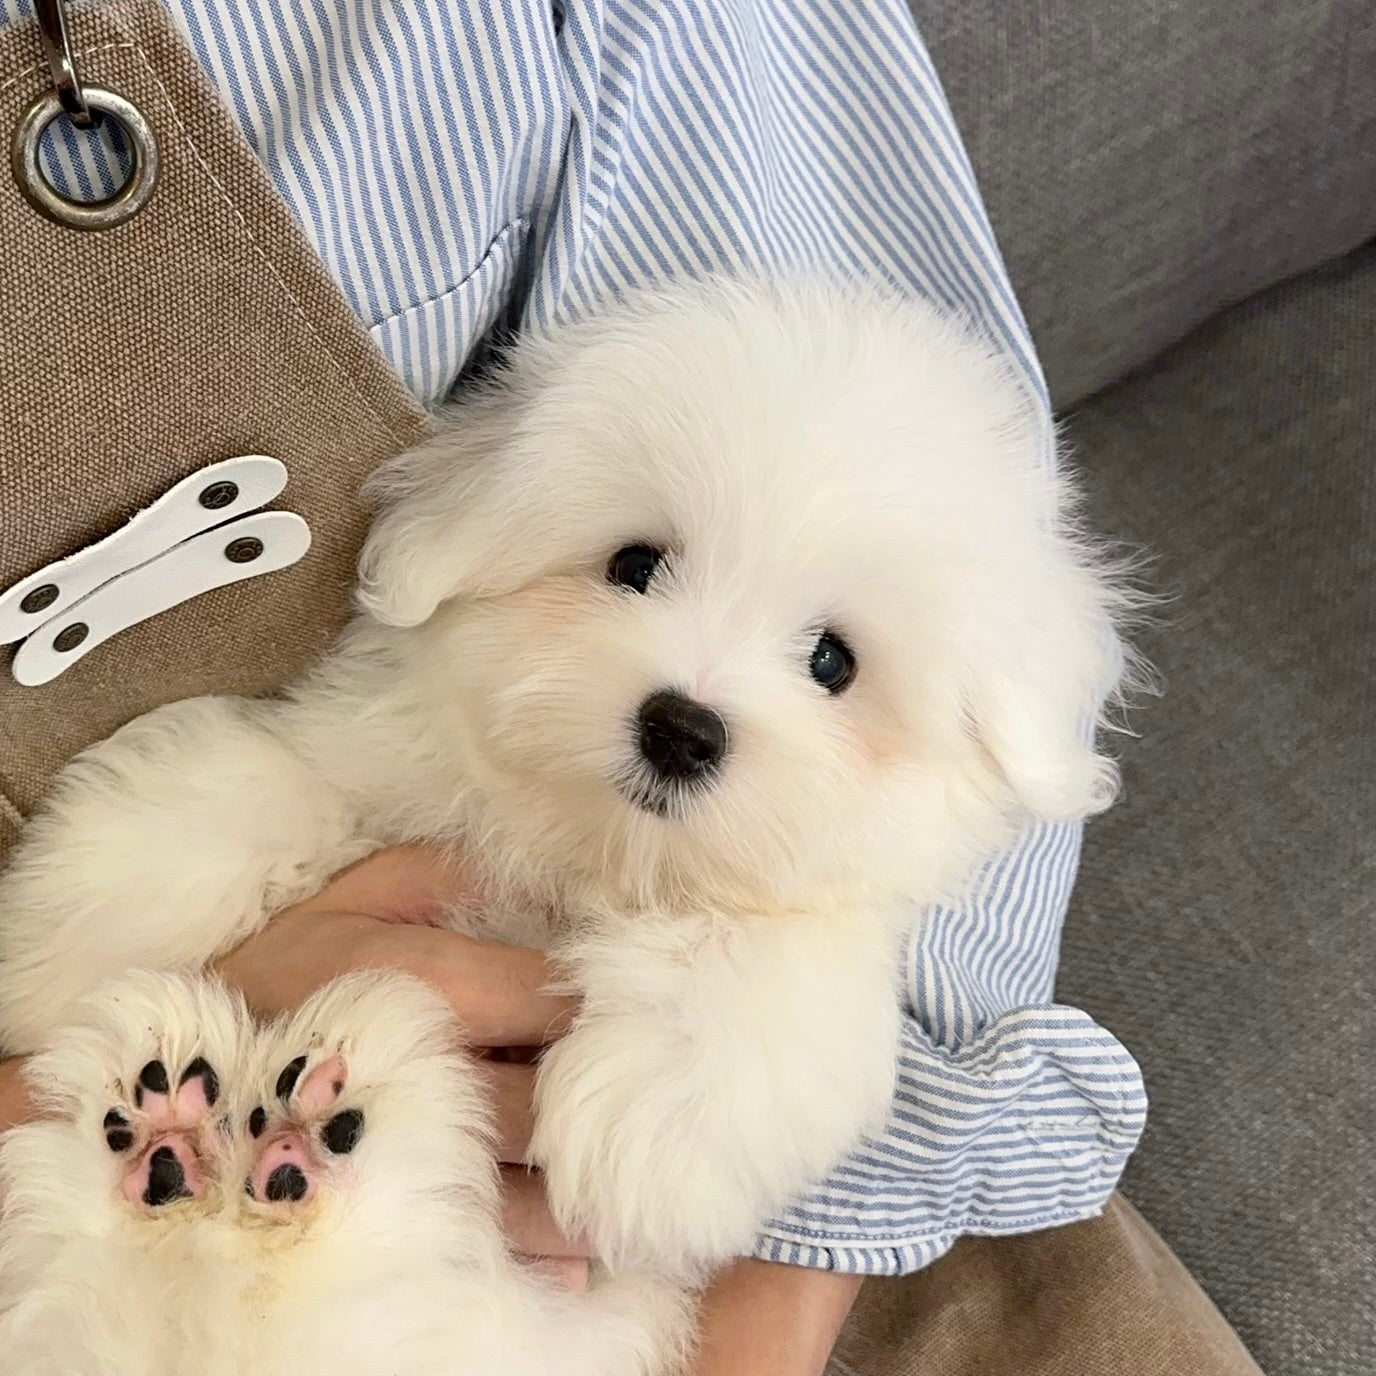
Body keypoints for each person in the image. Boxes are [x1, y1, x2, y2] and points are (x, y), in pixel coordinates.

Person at [0, 2, 1259, 1373]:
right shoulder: (391, 707)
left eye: (828, 663)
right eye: (640, 564)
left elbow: (719, 1146)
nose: (693, 693)